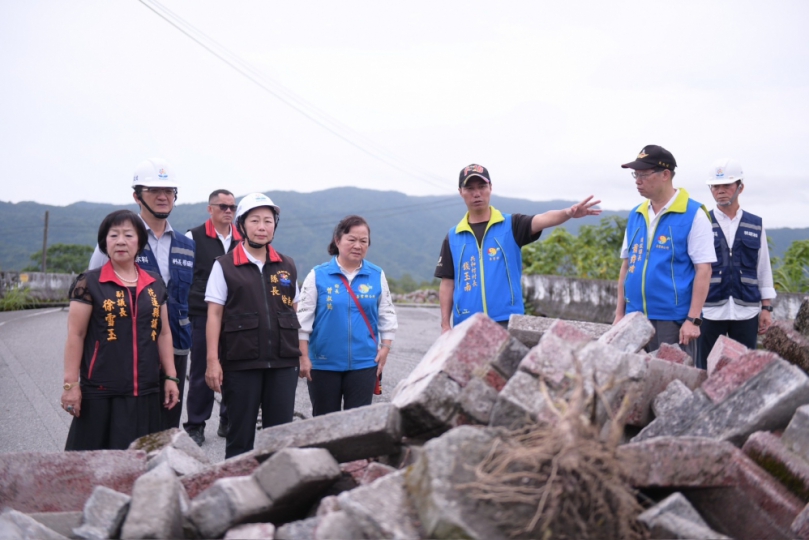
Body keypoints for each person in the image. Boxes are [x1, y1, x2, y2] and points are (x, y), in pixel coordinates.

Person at [88, 159, 194, 430]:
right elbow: (92, 294)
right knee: (130, 425)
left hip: (176, 345)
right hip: (126, 349)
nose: (163, 197)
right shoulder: (115, 242)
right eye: (154, 191)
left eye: (169, 191)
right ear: (137, 196)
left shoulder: (187, 245)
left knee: (168, 425)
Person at [62, 210, 180, 450]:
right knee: (93, 464)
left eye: (128, 235)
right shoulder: (90, 283)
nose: (121, 241)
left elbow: (164, 333)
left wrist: (170, 376)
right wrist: (70, 385)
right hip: (101, 390)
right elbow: (76, 335)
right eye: (113, 235)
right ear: (105, 242)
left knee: (141, 463)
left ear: (139, 242)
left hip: (146, 389)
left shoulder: (155, 284)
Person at [435, 164, 601, 332]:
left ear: (490, 188)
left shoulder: (511, 225)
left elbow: (542, 219)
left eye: (482, 186)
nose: (476, 193)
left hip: (506, 321)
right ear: (460, 192)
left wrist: (568, 213)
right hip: (465, 324)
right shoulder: (453, 236)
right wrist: (445, 325)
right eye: (469, 188)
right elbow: (448, 283)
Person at [204, 193, 301, 458]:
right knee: (240, 437)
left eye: (268, 221)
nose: (262, 227)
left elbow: (294, 309)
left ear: (275, 225)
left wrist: (303, 354)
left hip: (283, 363)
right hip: (241, 363)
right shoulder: (224, 266)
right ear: (242, 225)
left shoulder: (287, 265)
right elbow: (214, 315)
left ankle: (278, 495)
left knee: (279, 439)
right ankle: (235, 493)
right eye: (255, 220)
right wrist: (213, 361)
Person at [613, 145, 716, 359]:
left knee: (672, 382)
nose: (637, 181)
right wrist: (619, 314)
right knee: (635, 383)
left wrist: (693, 319)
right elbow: (626, 266)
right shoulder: (636, 214)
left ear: (665, 175)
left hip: (673, 320)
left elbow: (704, 270)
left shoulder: (693, 214)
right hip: (634, 319)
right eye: (635, 175)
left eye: (643, 174)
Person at [297, 215, 397, 416]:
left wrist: (385, 347)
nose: (357, 245)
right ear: (338, 240)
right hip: (324, 364)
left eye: (363, 241)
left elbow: (387, 314)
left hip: (364, 363)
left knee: (358, 424)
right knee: (324, 423)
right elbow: (302, 321)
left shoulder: (376, 275)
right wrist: (304, 357)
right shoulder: (318, 275)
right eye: (351, 239)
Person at [697, 158, 776, 369]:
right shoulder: (702, 222)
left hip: (747, 311)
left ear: (740, 187)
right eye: (715, 186)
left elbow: (763, 268)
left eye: (726, 185)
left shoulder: (755, 224)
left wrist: (766, 307)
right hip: (710, 309)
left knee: (745, 370)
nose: (720, 190)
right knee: (705, 369)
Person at [182, 189, 241, 446]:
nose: (228, 211)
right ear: (210, 209)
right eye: (223, 206)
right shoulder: (192, 237)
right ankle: (195, 424)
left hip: (236, 314)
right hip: (202, 314)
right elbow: (182, 278)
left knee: (235, 369)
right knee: (202, 370)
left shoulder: (243, 238)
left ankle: (228, 419)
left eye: (232, 207)